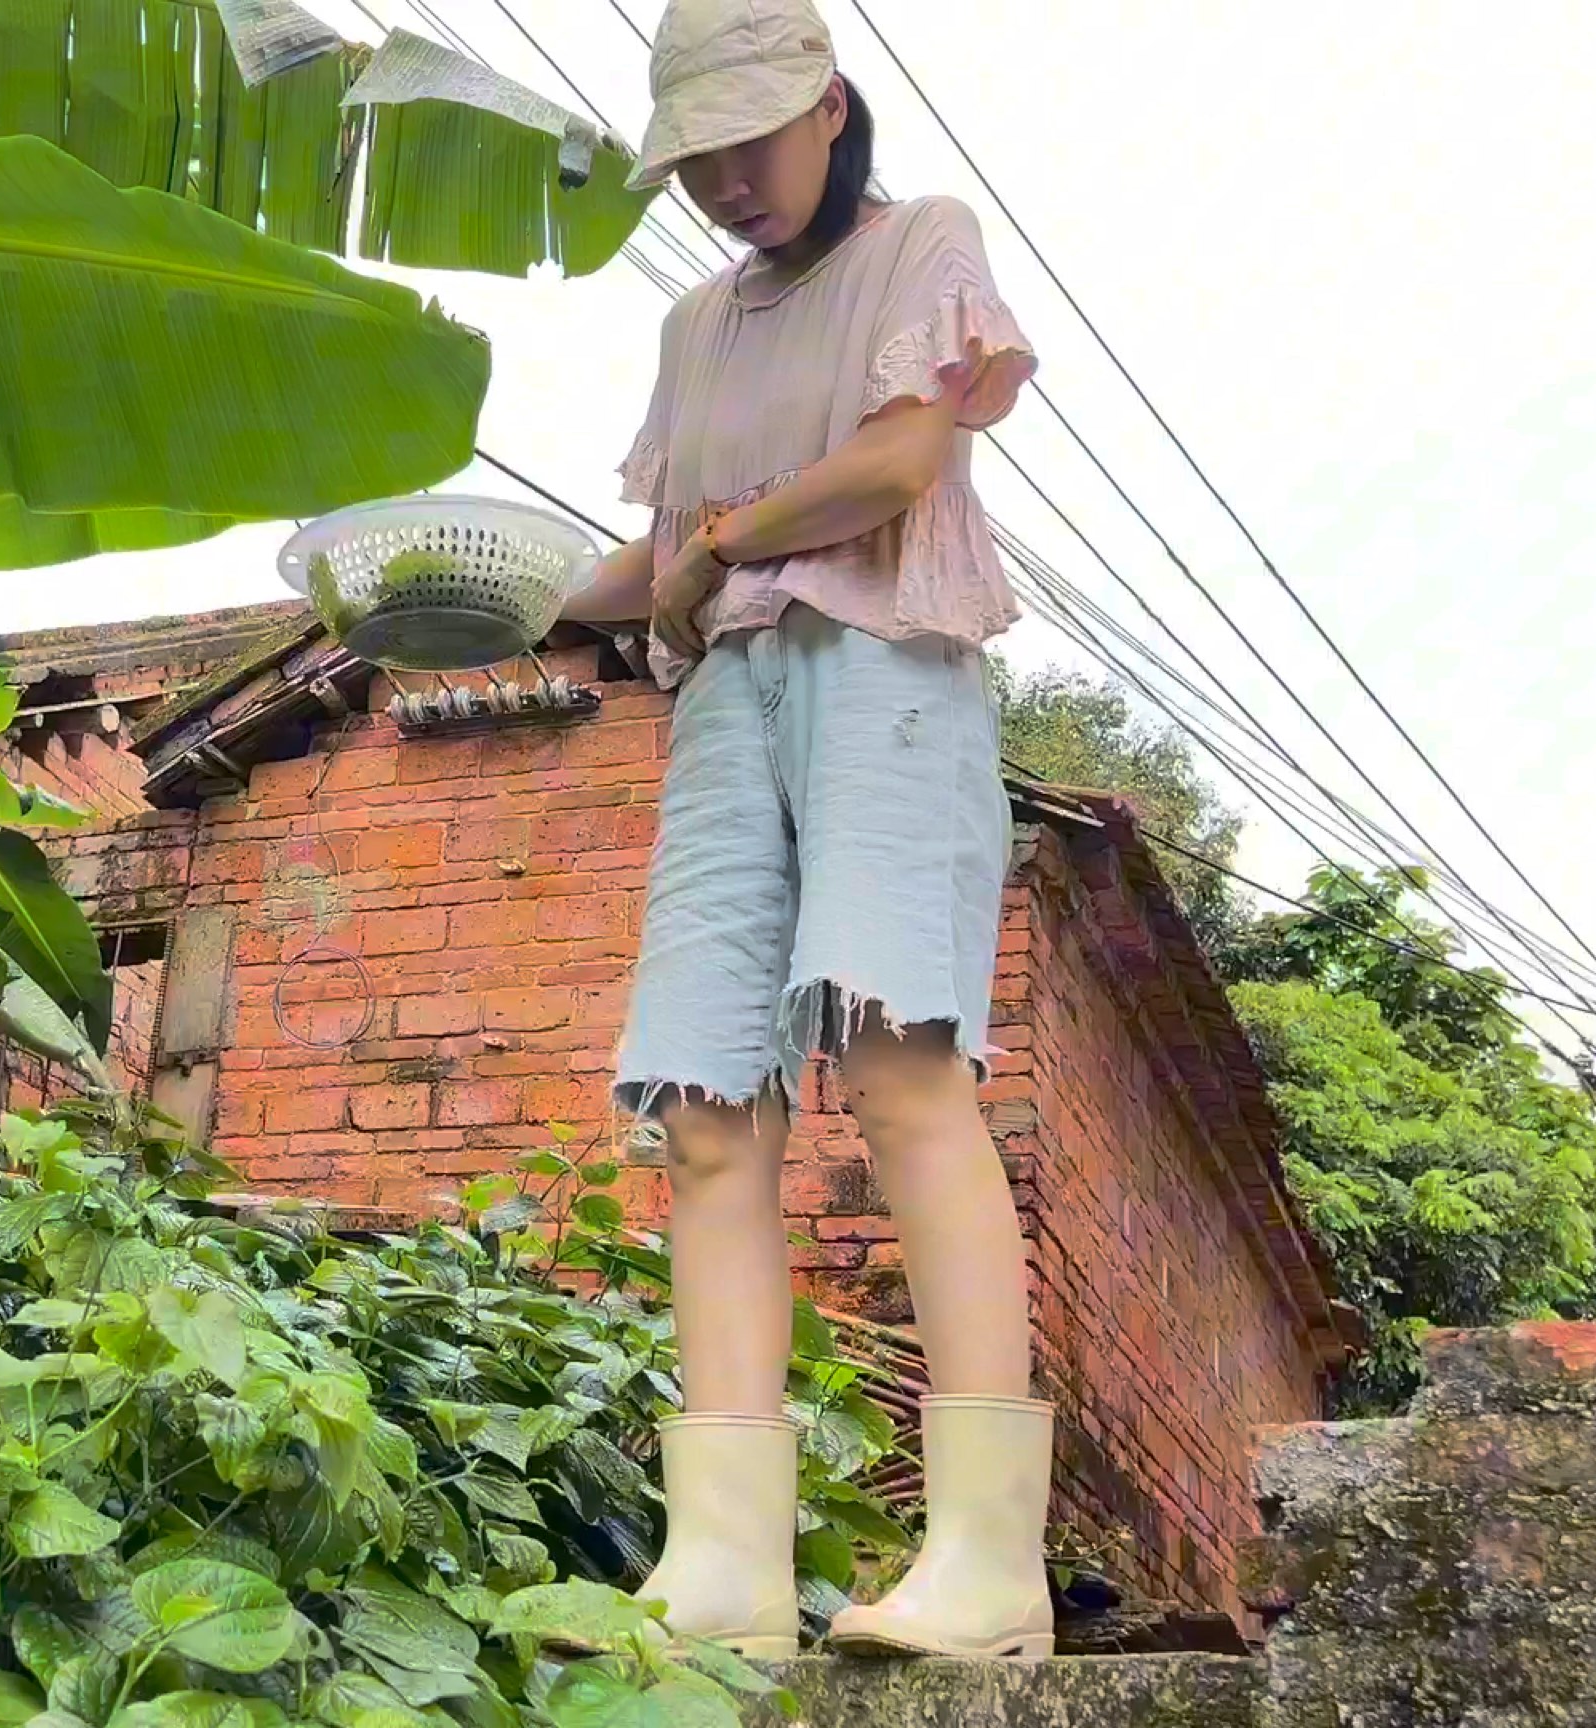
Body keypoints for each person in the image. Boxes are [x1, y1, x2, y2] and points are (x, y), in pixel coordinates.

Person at [557, 0, 1050, 1664]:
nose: (723, 184)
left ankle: (990, 1565)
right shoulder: (697, 322)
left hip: (886, 673)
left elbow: (903, 460)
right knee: (703, 1110)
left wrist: (721, 542)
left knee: (904, 1069)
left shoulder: (923, 243)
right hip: (726, 701)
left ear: (830, 109)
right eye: (694, 159)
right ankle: (725, 1570)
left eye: (747, 144)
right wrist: (493, 604)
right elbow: (656, 565)